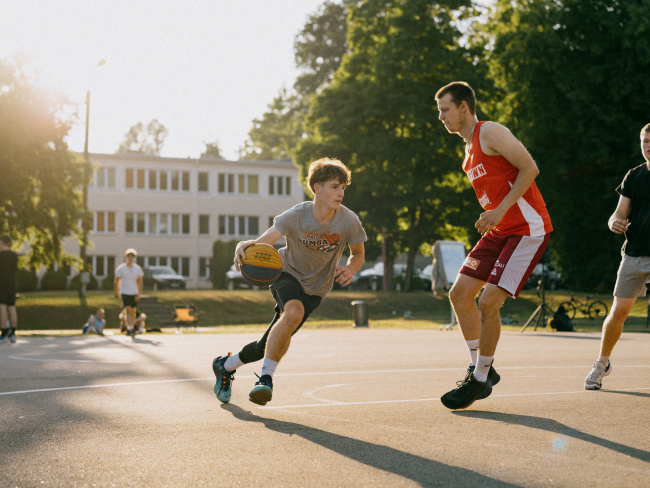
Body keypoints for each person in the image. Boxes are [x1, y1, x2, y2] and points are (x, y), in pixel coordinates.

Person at [435, 82, 553, 410]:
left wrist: (500, 210)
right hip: (499, 231)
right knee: (459, 294)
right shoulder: (467, 152)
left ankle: (479, 380)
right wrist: (496, 216)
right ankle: (482, 367)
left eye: (445, 109)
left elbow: (530, 168)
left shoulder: (489, 132)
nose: (441, 116)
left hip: (526, 229)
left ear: (463, 107)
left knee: (488, 303)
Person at [212, 158, 367, 406]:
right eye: (335, 186)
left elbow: (358, 253)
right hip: (286, 273)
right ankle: (265, 380)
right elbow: (264, 243)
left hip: (317, 287)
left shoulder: (348, 220)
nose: (341, 193)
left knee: (268, 344)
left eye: (343, 188)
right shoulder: (296, 216)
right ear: (317, 187)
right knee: (294, 311)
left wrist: (350, 268)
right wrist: (245, 245)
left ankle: (225, 365)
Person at [585, 123, 650, 390]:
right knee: (618, 312)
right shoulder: (634, 176)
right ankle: (602, 364)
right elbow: (619, 212)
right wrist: (614, 222)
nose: (648, 145)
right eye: (645, 141)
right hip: (634, 253)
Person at [114, 249, 144, 337]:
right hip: (124, 291)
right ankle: (131, 328)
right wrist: (116, 291)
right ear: (126, 257)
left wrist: (138, 294)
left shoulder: (137, 269)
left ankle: (132, 326)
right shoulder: (121, 268)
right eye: (128, 256)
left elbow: (140, 282)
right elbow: (116, 281)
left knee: (132, 312)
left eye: (132, 257)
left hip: (133, 292)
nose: (130, 258)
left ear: (134, 258)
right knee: (127, 310)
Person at [0, 234, 18, 345]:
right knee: (12, 308)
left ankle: (3, 334)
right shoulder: (14, 255)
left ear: (1, 242)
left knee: (2, 308)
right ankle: (13, 334)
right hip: (12, 285)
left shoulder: (0, 255)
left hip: (2, 285)